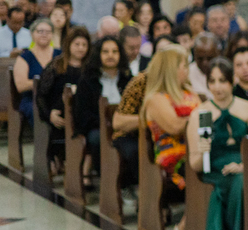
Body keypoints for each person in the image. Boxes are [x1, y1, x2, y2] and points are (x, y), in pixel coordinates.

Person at [187, 57, 248, 230]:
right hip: (216, 170)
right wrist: (203, 149)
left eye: (223, 81)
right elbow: (195, 164)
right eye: (213, 81)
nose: (217, 87)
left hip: (244, 165)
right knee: (238, 184)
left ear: (232, 81)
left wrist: (244, 165)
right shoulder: (200, 114)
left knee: (244, 180)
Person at [74, 34, 133, 185]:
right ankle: (109, 182)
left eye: (114, 51)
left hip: (124, 127)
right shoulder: (88, 80)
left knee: (136, 144)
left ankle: (129, 182)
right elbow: (83, 113)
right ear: (98, 55)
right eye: (105, 52)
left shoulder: (128, 79)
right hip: (97, 127)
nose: (110, 56)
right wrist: (107, 123)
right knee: (97, 139)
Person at [142, 47, 198, 194]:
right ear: (171, 70)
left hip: (197, 151)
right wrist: (202, 118)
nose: (187, 70)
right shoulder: (156, 98)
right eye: (184, 66)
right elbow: (175, 126)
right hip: (174, 158)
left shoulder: (191, 93)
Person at [36, 26, 91, 177]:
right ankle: (56, 159)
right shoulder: (56, 65)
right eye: (77, 44)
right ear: (69, 45)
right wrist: (49, 115)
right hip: (57, 113)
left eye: (84, 45)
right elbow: (41, 94)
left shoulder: (89, 68)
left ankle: (82, 166)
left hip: (80, 112)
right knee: (59, 127)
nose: (81, 48)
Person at [13, 17, 59, 126]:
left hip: (57, 98)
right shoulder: (25, 57)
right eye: (40, 31)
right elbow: (21, 85)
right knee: (38, 110)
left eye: (48, 32)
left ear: (52, 35)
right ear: (32, 34)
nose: (44, 34)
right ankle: (43, 142)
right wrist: (47, 83)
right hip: (32, 99)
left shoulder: (60, 55)